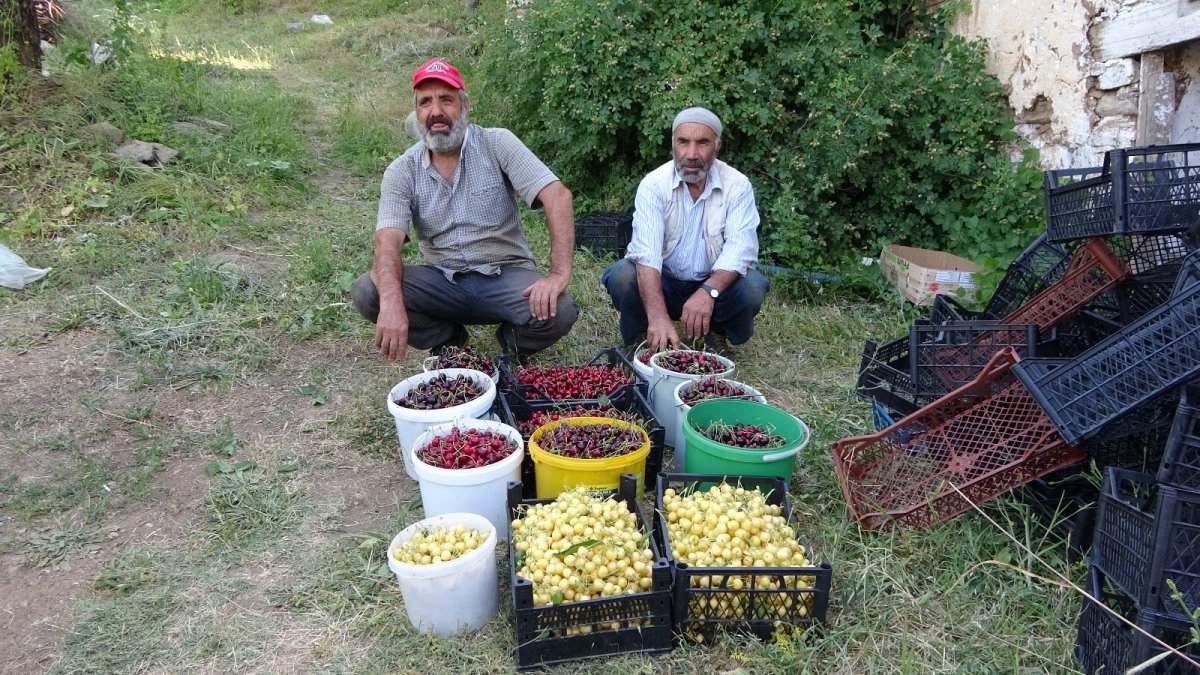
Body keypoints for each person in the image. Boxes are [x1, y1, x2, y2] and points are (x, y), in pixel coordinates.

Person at [351, 58, 579, 361]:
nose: (436, 111)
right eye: (425, 102)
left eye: (446, 99)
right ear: (417, 112)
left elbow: (558, 196)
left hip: (504, 275)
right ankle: (448, 341)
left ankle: (511, 343)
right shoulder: (402, 170)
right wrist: (392, 303)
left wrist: (558, 274)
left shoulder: (497, 143)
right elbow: (387, 240)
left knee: (560, 309)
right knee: (369, 291)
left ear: (465, 105)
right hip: (441, 281)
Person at [602, 106, 769, 356]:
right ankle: (644, 333)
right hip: (664, 282)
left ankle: (716, 331)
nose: (691, 154)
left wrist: (708, 292)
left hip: (711, 283)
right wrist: (658, 315)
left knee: (752, 286)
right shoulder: (653, 184)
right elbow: (646, 255)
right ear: (673, 145)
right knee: (622, 275)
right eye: (683, 142)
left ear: (717, 146)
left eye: (702, 142)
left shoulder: (737, 185)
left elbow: (740, 249)